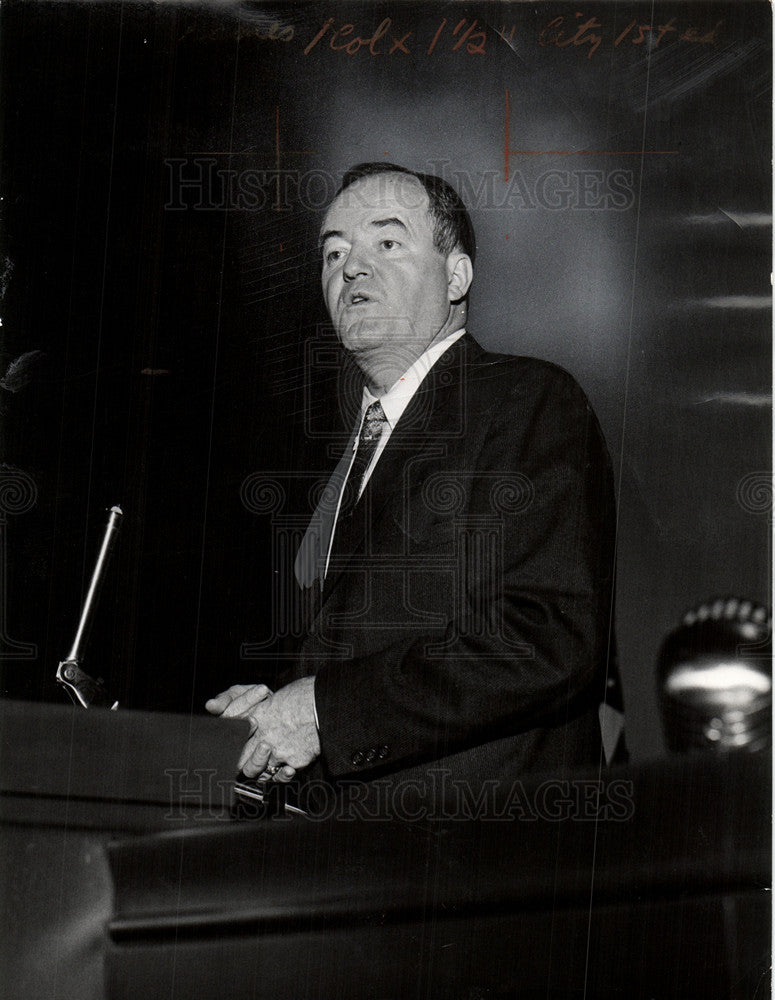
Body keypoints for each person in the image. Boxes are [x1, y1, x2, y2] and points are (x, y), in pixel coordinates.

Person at [206, 162, 618, 813]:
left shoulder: (527, 400)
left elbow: (546, 637)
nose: (350, 268)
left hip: (482, 862)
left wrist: (322, 710)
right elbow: (358, 664)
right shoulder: (343, 467)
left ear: (456, 276)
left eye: (386, 242)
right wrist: (276, 710)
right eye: (333, 252)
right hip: (357, 864)